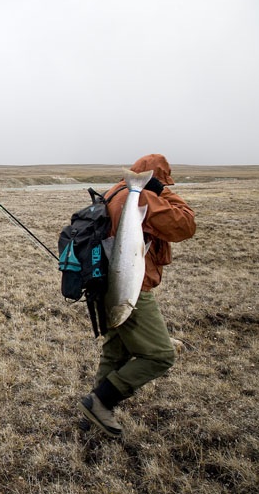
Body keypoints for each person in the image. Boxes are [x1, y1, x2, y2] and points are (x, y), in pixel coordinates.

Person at [79, 154, 196, 437]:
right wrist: (161, 191)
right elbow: (185, 225)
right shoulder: (141, 195)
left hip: (105, 284)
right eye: (164, 182)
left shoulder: (116, 191)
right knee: (160, 355)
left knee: (116, 351)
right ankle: (101, 401)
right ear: (156, 179)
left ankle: (94, 412)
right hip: (129, 287)